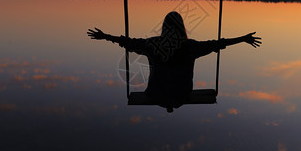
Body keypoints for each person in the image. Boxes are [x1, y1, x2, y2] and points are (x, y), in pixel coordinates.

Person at [87, 11, 261, 112]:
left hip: (155, 95)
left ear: (165, 28)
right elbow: (217, 43)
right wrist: (242, 39)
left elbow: (129, 42)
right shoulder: (191, 47)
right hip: (180, 96)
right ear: (181, 27)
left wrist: (105, 36)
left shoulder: (152, 44)